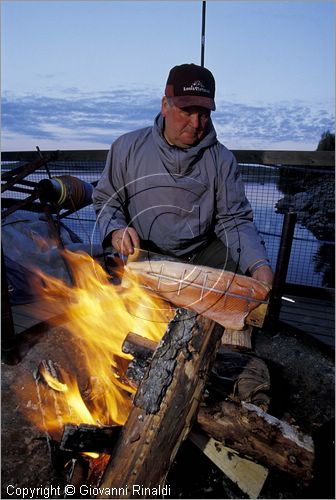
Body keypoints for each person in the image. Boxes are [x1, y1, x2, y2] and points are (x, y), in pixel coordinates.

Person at [93, 63, 273, 287]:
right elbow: (106, 200)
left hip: (201, 256)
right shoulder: (126, 148)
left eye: (203, 114)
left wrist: (258, 264)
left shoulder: (223, 160)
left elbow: (234, 220)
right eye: (187, 112)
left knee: (243, 277)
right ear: (164, 106)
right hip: (144, 255)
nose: (196, 123)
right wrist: (115, 231)